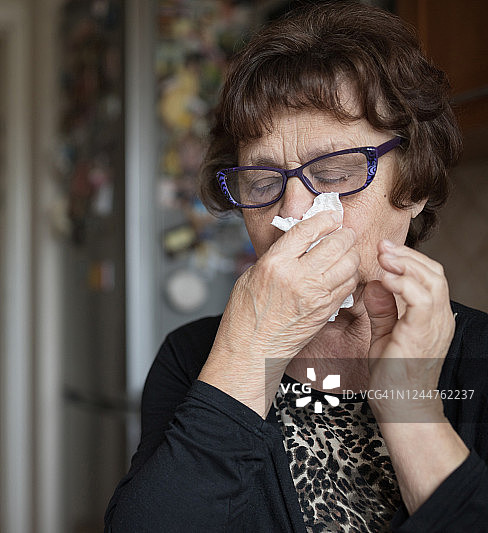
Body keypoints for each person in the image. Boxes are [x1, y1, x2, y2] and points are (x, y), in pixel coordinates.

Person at [105, 2, 488, 532]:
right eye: (262, 183)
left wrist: (409, 402)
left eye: (334, 171)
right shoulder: (192, 357)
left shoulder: (481, 360)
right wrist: (250, 350)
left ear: (415, 186)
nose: (289, 211)